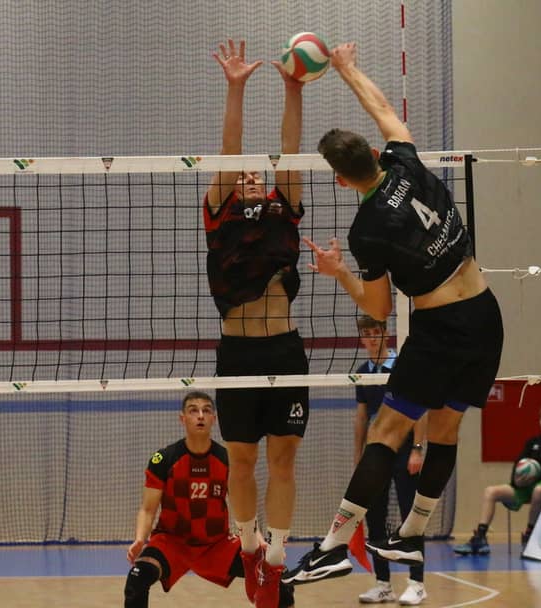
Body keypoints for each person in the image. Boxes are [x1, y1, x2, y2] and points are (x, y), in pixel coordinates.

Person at [283, 41, 503, 585]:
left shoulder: (367, 231)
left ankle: (334, 545)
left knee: (386, 431)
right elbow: (384, 110)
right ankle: (412, 533)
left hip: (439, 329)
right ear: (376, 153)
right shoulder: (406, 160)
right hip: (485, 315)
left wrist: (339, 274)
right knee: (446, 429)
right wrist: (347, 68)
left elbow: (378, 310)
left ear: (340, 180)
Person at [202, 39, 308, 608]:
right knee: (241, 462)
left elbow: (290, 148)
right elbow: (229, 147)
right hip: (238, 354)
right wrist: (235, 87)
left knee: (283, 460)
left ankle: (276, 558)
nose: (246, 174)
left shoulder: (282, 206)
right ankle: (248, 546)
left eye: (253, 172)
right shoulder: (219, 213)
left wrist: (293, 88)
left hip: (284, 351)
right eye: (239, 172)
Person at [124, 391, 294, 608]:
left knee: (279, 577)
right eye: (193, 410)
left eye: (206, 410)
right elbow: (147, 509)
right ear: (182, 418)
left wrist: (257, 538)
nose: (200, 416)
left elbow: (244, 506)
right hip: (172, 543)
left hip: (217, 545)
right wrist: (140, 539)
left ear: (214, 418)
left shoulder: (228, 460)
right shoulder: (164, 459)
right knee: (137, 578)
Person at [352, 315, 427, 605]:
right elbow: (362, 417)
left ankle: (417, 583)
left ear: (385, 334)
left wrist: (417, 449)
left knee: (411, 518)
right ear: (362, 338)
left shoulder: (402, 368)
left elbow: (420, 409)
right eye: (366, 334)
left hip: (405, 448)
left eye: (376, 332)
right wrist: (358, 457)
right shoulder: (363, 372)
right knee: (375, 518)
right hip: (376, 452)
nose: (372, 338)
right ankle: (383, 584)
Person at [453, 403, 541, 555]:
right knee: (491, 491)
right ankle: (480, 537)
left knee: (539, 490)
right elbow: (518, 465)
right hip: (526, 487)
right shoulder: (532, 443)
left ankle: (530, 533)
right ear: (540, 421)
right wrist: (516, 481)